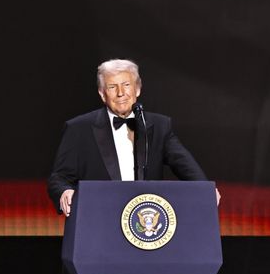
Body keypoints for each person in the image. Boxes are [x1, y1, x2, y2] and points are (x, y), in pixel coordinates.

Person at [47, 58, 219, 216]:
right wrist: (64, 192)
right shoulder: (79, 128)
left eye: (126, 85)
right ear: (102, 94)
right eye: (112, 87)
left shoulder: (159, 126)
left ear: (137, 89)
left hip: (145, 221)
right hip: (99, 217)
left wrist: (205, 189)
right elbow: (59, 178)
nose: (121, 93)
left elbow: (185, 166)